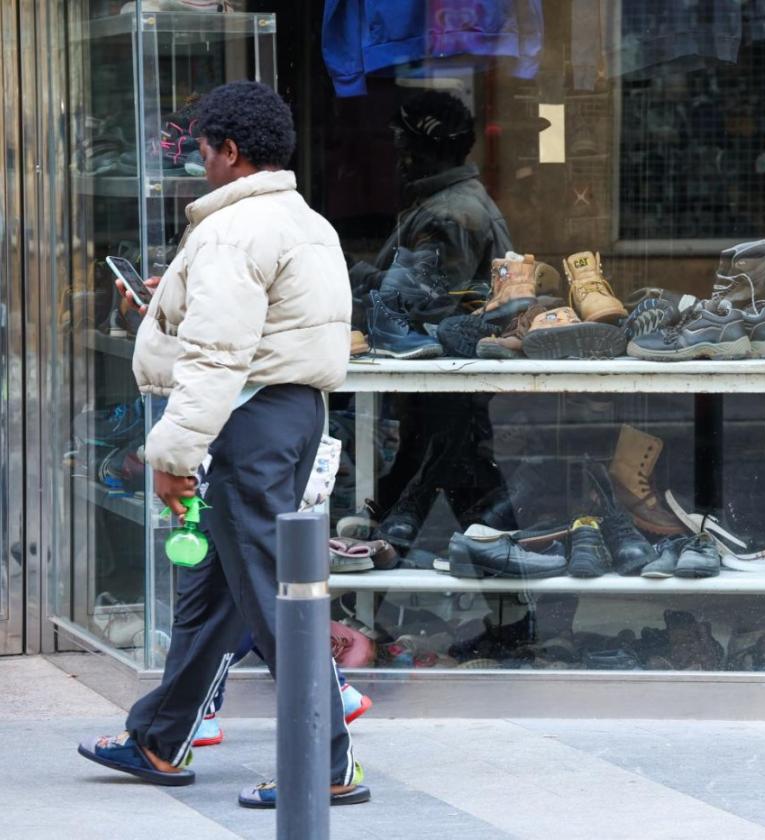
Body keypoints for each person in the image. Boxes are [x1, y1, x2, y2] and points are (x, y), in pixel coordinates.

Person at [77, 80, 368, 809]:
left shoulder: (231, 231)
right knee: (217, 598)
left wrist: (169, 457)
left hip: (245, 421)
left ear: (231, 153)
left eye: (202, 149)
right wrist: (176, 293)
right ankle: (159, 738)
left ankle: (325, 764)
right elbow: (250, 327)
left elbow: (218, 358)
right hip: (287, 413)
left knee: (275, 601)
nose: (196, 163)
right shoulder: (304, 220)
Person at [342, 89, 515, 549]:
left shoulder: (449, 215)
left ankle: (519, 607)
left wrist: (343, 268)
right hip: (441, 381)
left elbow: (414, 299)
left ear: (428, 151)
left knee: (451, 493)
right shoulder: (446, 204)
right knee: (455, 495)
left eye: (405, 151)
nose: (398, 163)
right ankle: (515, 608)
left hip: (443, 383)